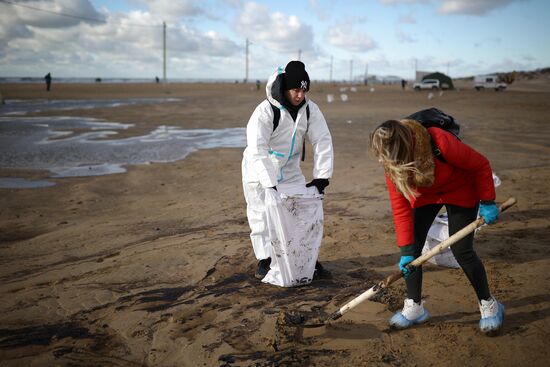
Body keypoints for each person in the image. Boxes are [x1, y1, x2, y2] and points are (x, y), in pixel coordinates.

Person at [369, 118, 504, 335]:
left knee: (462, 250)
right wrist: (405, 251)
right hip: (426, 196)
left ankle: (489, 305)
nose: (381, 160)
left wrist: (487, 202)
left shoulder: (440, 141)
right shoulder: (391, 165)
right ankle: (414, 307)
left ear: (401, 147)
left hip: (460, 190)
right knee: (412, 250)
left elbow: (481, 164)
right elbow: (400, 208)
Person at [242, 60, 334, 280]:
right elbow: (257, 149)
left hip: (291, 168)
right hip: (260, 169)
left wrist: (321, 177)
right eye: (296, 89)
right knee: (262, 215)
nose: (300, 95)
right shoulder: (265, 112)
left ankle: (303, 258)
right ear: (284, 88)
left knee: (298, 212)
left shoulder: (310, 109)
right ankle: (266, 259)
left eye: (304, 90)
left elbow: (322, 140)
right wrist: (268, 182)